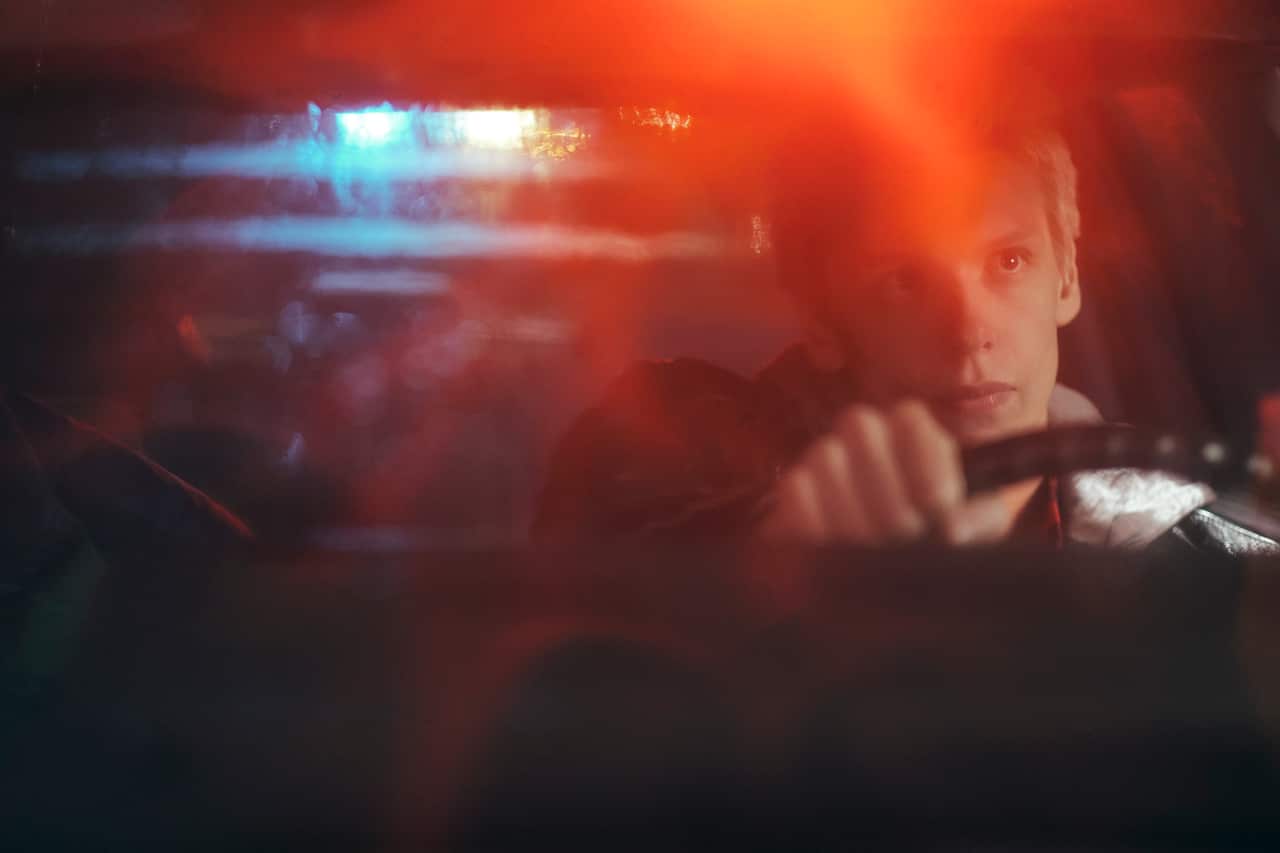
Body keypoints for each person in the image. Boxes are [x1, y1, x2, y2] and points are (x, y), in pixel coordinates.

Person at [532, 83, 1280, 556]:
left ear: (1067, 277)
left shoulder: (1200, 550)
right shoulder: (691, 484)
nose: (970, 331)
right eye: (905, 283)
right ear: (823, 319)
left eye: (1009, 262)